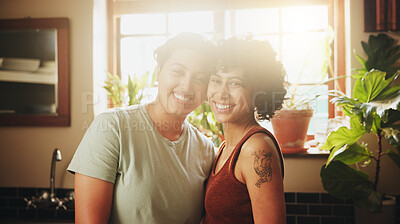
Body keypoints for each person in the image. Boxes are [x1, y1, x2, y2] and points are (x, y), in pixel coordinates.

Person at [67, 33, 218, 224]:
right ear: (159, 72)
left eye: (200, 78)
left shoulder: (206, 149)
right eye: (177, 71)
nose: (186, 86)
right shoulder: (113, 128)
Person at [203, 38, 286, 224]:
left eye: (235, 83)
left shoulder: (256, 149)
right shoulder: (227, 145)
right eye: (216, 80)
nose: (222, 93)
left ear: (258, 91)